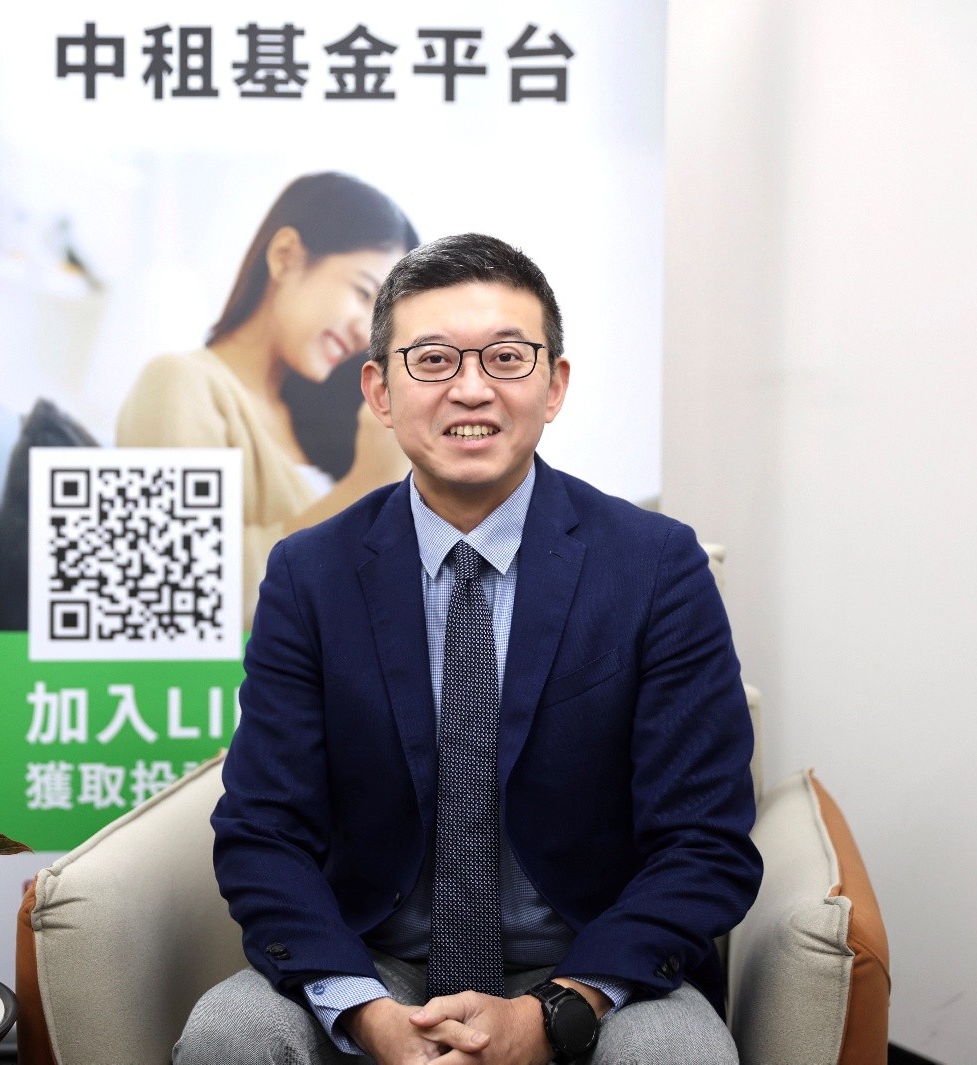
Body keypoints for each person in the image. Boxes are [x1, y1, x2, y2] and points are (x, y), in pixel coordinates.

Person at [176, 234, 762, 1064]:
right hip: (374, 961)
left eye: (507, 357)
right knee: (227, 1035)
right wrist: (367, 1013)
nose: (472, 387)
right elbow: (264, 831)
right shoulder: (310, 574)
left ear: (555, 385)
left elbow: (705, 841)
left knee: (679, 1056)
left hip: (595, 963)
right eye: (433, 359)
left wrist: (555, 1011)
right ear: (379, 391)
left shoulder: (656, 567)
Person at [116, 172, 418, 628]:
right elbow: (177, 593)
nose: (364, 332)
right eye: (361, 293)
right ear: (285, 257)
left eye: (380, 320)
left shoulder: (314, 418)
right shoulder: (179, 383)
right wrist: (366, 485)